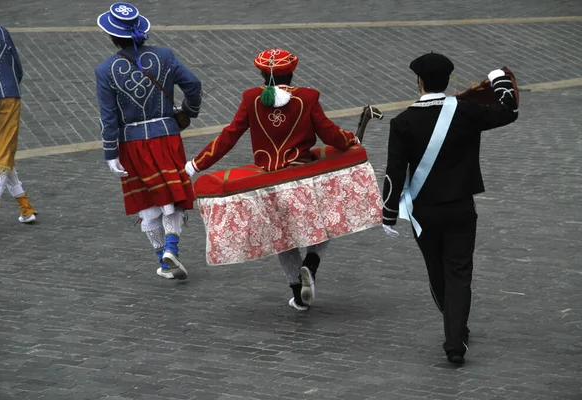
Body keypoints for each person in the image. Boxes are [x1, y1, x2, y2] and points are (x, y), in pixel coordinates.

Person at [186, 48, 381, 311]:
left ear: (261, 74)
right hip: (301, 179)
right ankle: (310, 266)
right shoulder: (308, 97)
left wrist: (196, 164)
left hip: (268, 182)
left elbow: (228, 137)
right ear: (292, 72)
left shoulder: (251, 98)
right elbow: (329, 134)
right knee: (321, 223)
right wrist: (351, 139)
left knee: (282, 238)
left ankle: (297, 293)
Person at [381, 52, 518, 364]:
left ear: (419, 81)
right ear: (447, 81)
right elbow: (508, 111)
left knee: (437, 271)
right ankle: (454, 338)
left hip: (423, 212)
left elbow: (395, 171)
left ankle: (455, 329)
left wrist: (389, 213)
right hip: (460, 207)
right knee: (458, 271)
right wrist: (499, 79)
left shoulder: (402, 122)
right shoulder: (467, 111)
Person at [95, 2, 202, 279]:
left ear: (112, 36)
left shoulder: (105, 71)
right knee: (171, 198)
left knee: (146, 202)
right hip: (167, 136)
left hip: (131, 143)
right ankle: (171, 247)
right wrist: (188, 112)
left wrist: (110, 152)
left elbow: (108, 117)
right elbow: (193, 84)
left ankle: (163, 259)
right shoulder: (164, 56)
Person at [0, 18, 38, 232]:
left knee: (0, 152)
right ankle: (25, 208)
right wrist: (13, 85)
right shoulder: (0, 29)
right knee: (2, 153)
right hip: (9, 93)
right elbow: (16, 64)